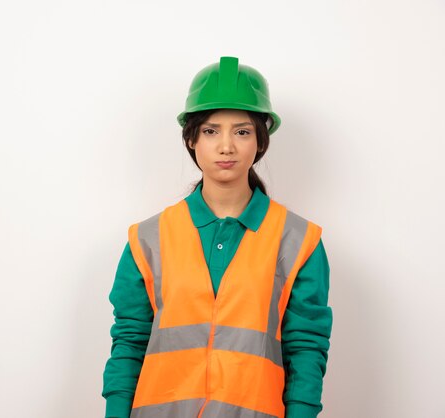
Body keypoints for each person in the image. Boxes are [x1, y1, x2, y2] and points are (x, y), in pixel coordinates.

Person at [102, 56, 333, 418]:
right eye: (211, 131)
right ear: (191, 139)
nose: (226, 146)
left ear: (260, 141)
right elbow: (129, 342)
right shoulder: (147, 239)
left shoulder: (299, 241)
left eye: (242, 131)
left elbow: (306, 348)